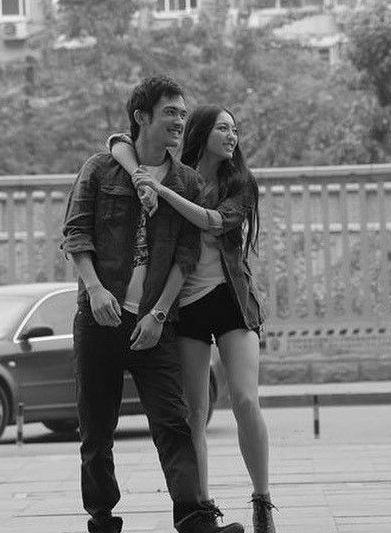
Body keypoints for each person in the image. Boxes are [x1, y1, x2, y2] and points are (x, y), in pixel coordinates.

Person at [61, 77, 244, 533]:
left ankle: (193, 517)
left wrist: (159, 314)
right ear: (142, 117)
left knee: (174, 423)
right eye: (170, 113)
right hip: (100, 319)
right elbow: (76, 233)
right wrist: (96, 289)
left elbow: (186, 255)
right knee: (96, 430)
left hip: (156, 324)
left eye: (183, 113)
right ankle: (102, 518)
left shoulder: (187, 182)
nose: (180, 121)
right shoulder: (100, 170)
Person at [108, 104, 276, 533]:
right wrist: (151, 180)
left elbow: (215, 222)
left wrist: (162, 192)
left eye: (235, 130)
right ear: (203, 133)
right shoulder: (178, 173)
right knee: (194, 413)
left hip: (232, 300)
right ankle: (202, 508)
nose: (232, 136)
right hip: (187, 305)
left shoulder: (239, 184)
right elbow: (118, 143)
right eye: (223, 128)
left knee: (245, 400)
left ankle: (262, 499)